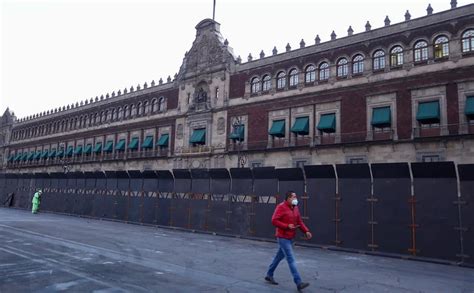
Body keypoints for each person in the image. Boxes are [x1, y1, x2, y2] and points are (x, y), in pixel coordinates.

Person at [265, 191, 312, 291]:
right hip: (283, 237)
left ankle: (269, 274)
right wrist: (286, 226)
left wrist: (306, 231)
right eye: (294, 197)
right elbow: (274, 220)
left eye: (296, 196)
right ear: (288, 198)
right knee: (291, 259)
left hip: (290, 237)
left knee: (278, 257)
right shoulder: (281, 207)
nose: (296, 199)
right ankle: (298, 282)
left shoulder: (295, 208)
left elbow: (299, 221)